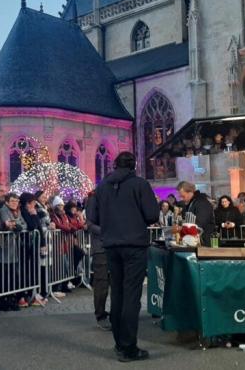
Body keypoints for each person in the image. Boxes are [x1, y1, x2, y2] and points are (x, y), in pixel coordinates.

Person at [89, 152, 158, 362]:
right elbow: (152, 215)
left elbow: (93, 217)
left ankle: (119, 343)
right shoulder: (140, 184)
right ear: (133, 166)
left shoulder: (101, 187)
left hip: (111, 244)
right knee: (131, 296)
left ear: (114, 165)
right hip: (134, 244)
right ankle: (128, 347)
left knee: (117, 293)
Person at [84, 191, 111, 331]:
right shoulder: (94, 198)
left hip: (116, 245)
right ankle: (100, 315)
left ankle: (114, 314)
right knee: (101, 283)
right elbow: (89, 224)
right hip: (101, 246)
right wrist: (107, 231)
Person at [0, 193, 27, 310]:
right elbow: (9, 224)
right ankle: (4, 300)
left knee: (13, 275)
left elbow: (24, 225)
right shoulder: (3, 211)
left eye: (16, 201)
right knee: (4, 275)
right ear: (7, 202)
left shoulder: (17, 212)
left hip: (14, 248)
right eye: (12, 201)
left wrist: (17, 226)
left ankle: (11, 299)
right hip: (5, 248)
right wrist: (15, 226)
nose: (15, 203)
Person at [19, 192, 47, 307]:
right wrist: (34, 215)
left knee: (34, 269)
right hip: (24, 245)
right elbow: (32, 226)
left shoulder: (31, 211)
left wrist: (43, 243)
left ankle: (33, 293)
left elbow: (38, 227)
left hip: (33, 244)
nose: (34, 205)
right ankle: (25, 294)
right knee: (25, 271)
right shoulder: (24, 212)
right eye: (33, 203)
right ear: (27, 204)